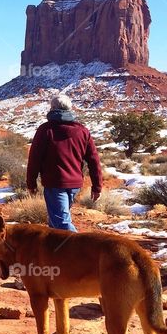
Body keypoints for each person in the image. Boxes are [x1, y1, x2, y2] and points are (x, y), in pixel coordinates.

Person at [26, 94, 102, 232]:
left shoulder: (45, 130)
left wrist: (31, 183)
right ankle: (52, 252)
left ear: (52, 108)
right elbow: (94, 160)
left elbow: (34, 159)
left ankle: (82, 249)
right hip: (75, 184)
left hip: (55, 184)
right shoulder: (82, 131)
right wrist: (97, 186)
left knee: (62, 223)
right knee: (56, 221)